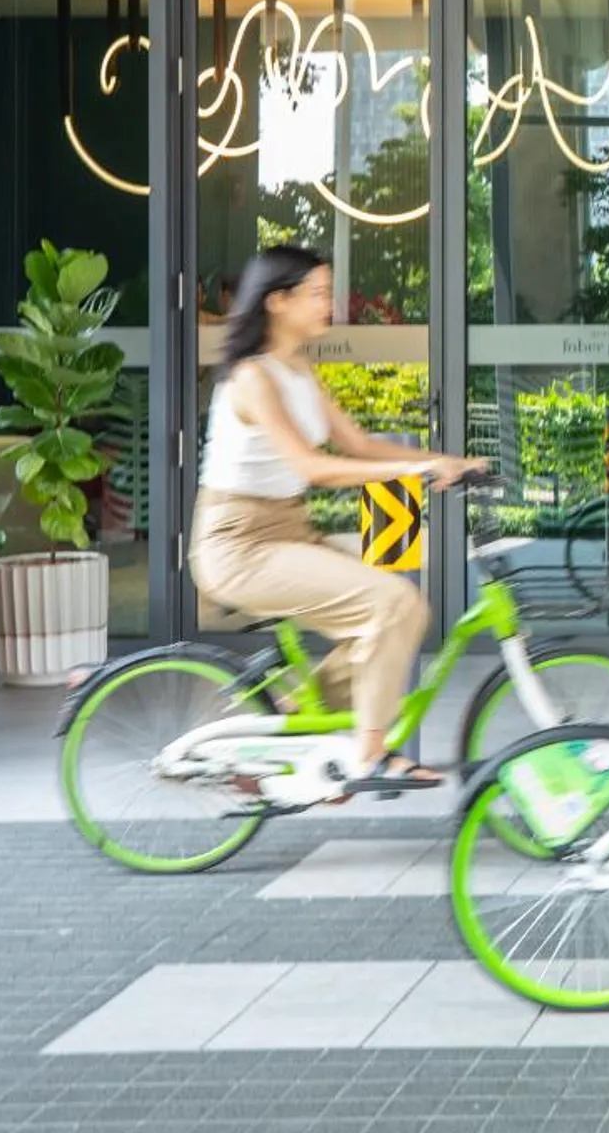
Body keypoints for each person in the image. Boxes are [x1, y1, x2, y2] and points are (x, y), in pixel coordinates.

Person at [191, 245, 488, 792]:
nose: (331, 302)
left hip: (287, 531)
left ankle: (290, 731)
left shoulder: (297, 368)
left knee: (405, 612)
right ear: (278, 302)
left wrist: (446, 461)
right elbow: (312, 466)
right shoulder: (254, 378)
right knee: (390, 604)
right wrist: (418, 468)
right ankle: (369, 757)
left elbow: (358, 442)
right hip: (239, 546)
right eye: (319, 293)